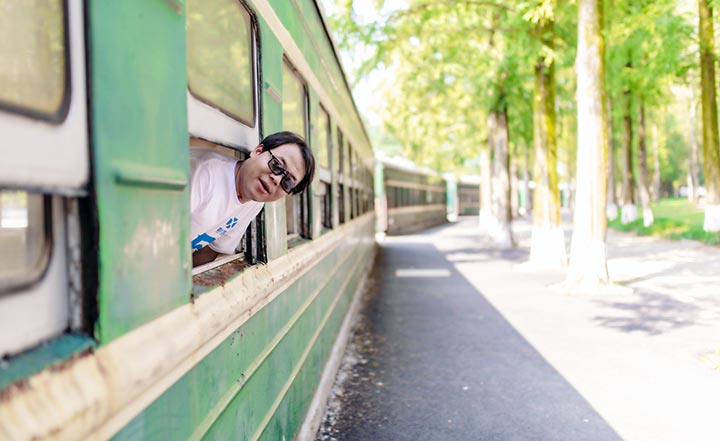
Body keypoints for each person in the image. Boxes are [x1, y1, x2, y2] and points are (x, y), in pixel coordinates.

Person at [190, 131, 315, 267]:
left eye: (288, 182)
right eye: (276, 165)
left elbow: (210, 250)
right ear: (257, 151)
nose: (276, 179)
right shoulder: (203, 173)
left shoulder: (255, 203)